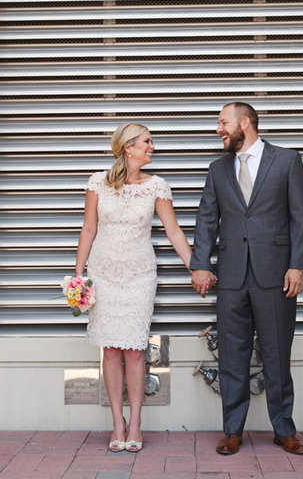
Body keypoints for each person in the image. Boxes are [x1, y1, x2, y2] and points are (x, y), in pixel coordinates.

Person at [190, 102, 303, 456]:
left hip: (276, 274)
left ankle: (284, 430)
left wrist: (297, 265)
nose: (219, 130)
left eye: (223, 123)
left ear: (246, 122)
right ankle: (232, 431)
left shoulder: (287, 160)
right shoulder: (217, 170)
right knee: (231, 355)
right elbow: (206, 220)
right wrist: (200, 264)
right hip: (229, 276)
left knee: (277, 354)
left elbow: (300, 217)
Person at [75, 122, 198, 453]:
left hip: (139, 275)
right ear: (128, 147)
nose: (152, 146)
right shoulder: (97, 182)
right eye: (147, 141)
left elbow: (173, 232)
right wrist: (78, 274)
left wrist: (195, 266)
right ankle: (118, 423)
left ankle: (137, 422)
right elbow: (88, 229)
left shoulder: (156, 186)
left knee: (133, 348)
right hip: (102, 275)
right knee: (110, 350)